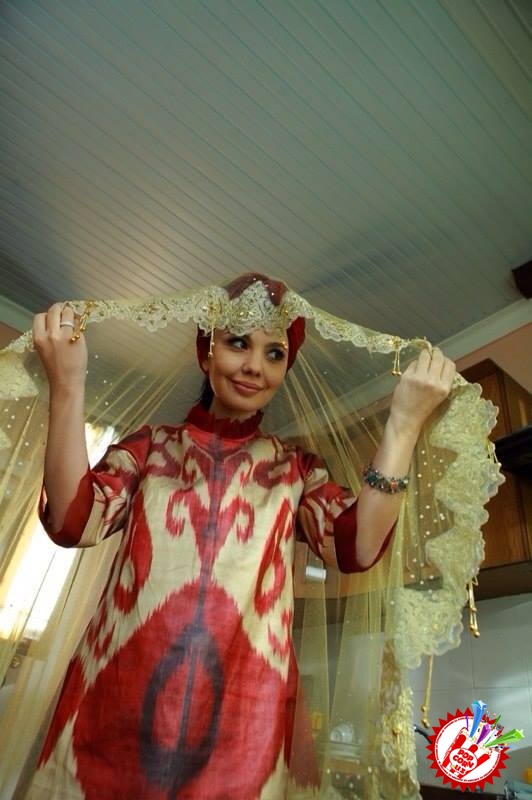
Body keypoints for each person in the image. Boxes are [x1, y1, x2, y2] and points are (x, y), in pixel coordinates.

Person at [27, 273, 456, 800]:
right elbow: (73, 521)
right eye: (237, 343)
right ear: (205, 353)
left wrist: (404, 424)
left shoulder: (296, 470)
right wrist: (68, 386)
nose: (256, 366)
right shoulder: (150, 448)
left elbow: (357, 547)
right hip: (115, 710)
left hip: (246, 728)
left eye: (275, 354)